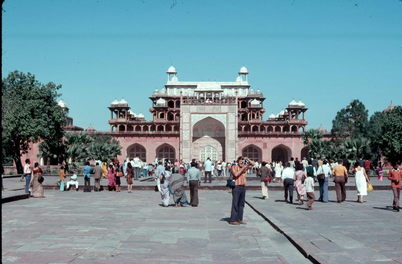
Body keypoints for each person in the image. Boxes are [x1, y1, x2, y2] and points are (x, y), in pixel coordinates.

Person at [228, 156, 254, 225]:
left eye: (243, 161)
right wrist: (243, 168)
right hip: (236, 187)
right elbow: (236, 174)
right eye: (240, 161)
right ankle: (233, 220)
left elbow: (254, 164)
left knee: (241, 204)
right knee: (235, 203)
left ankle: (239, 219)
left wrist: (248, 159)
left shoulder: (245, 167)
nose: (242, 162)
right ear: (238, 161)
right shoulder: (234, 167)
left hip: (243, 187)